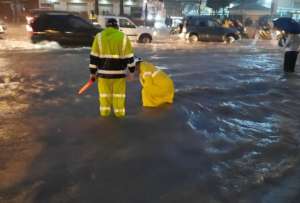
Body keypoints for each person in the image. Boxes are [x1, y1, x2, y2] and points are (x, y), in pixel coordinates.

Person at [89, 18, 135, 117]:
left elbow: (93, 57)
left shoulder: (99, 37)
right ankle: (119, 115)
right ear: (116, 26)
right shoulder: (123, 37)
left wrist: (93, 73)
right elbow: (129, 56)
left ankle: (105, 115)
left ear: (106, 26)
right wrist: (131, 71)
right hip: (119, 74)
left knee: (104, 96)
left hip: (103, 74)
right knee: (119, 96)